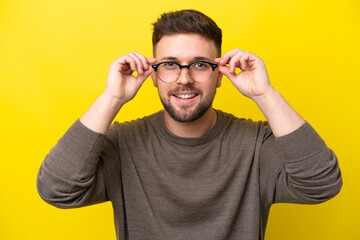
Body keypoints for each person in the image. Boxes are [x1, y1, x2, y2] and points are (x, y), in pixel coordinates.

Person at [37, 9, 342, 240]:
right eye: (170, 64)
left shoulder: (256, 144)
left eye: (200, 65)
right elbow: (56, 190)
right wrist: (112, 98)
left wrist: (265, 94)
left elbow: (322, 185)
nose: (184, 79)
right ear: (153, 75)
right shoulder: (123, 143)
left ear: (220, 74)